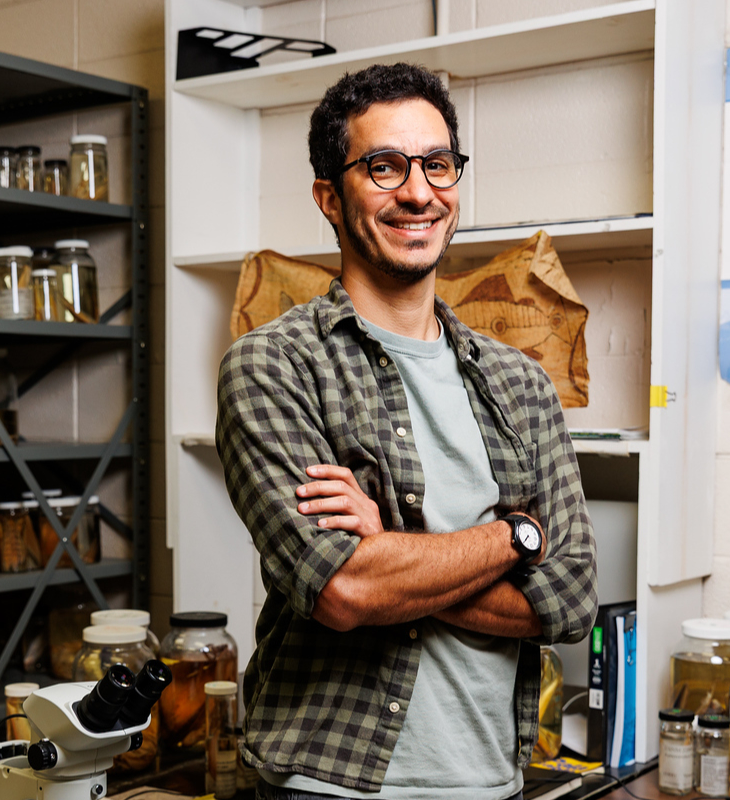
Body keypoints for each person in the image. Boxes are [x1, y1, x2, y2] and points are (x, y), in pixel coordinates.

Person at [215, 62, 598, 800]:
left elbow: (572, 603)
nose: (419, 191)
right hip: (324, 785)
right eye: (384, 167)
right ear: (331, 196)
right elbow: (344, 589)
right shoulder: (272, 366)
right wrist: (516, 538)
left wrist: (394, 553)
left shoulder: (521, 386)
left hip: (491, 781)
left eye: (437, 164)